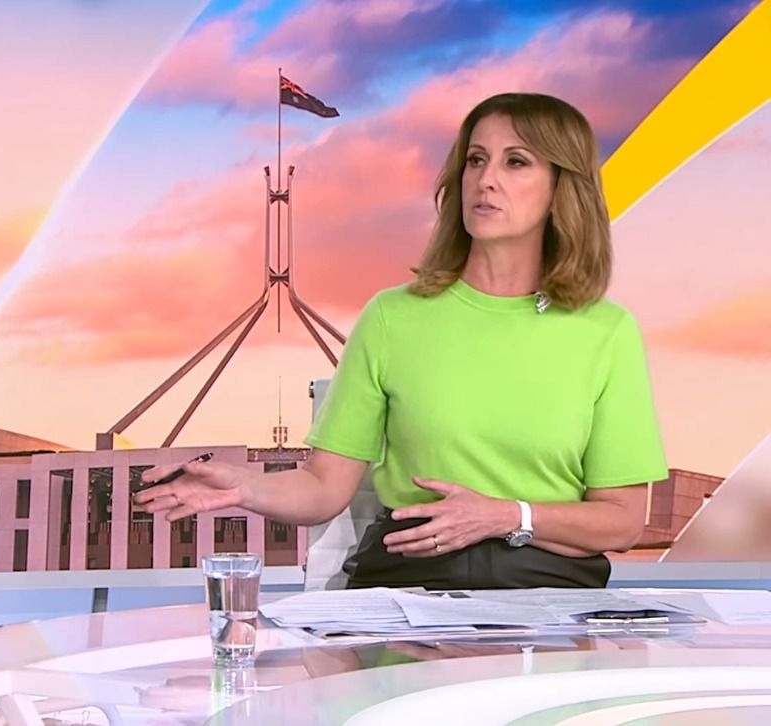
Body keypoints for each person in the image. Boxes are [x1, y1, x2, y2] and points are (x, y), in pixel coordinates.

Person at [137, 92, 667, 589]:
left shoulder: (606, 331)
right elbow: (323, 487)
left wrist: (506, 516)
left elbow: (622, 521)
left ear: (561, 189)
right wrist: (243, 486)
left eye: (516, 162)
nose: (486, 180)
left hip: (547, 594)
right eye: (476, 160)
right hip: (407, 585)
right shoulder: (393, 317)